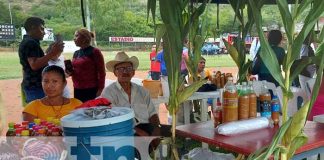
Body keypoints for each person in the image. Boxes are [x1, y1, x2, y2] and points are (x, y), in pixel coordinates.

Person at [101, 51, 170, 136]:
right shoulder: (108, 93)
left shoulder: (143, 91)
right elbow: (114, 120)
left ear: (133, 72)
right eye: (121, 69)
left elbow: (152, 113)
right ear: (115, 73)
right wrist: (140, 132)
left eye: (129, 68)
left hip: (146, 127)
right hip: (123, 131)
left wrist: (156, 128)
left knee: (175, 132)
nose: (125, 72)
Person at [18, 17, 64, 103]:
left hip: (32, 85)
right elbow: (34, 65)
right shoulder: (30, 43)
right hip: (36, 87)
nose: (44, 32)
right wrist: (52, 53)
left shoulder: (29, 41)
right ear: (33, 27)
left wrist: (50, 52)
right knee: (40, 113)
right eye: (41, 29)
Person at [68, 28, 106, 102]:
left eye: (76, 36)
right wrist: (70, 71)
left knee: (89, 111)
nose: (74, 38)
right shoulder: (76, 53)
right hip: (77, 88)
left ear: (84, 38)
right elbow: (75, 70)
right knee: (79, 110)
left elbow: (101, 72)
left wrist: (100, 89)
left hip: (91, 89)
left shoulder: (95, 52)